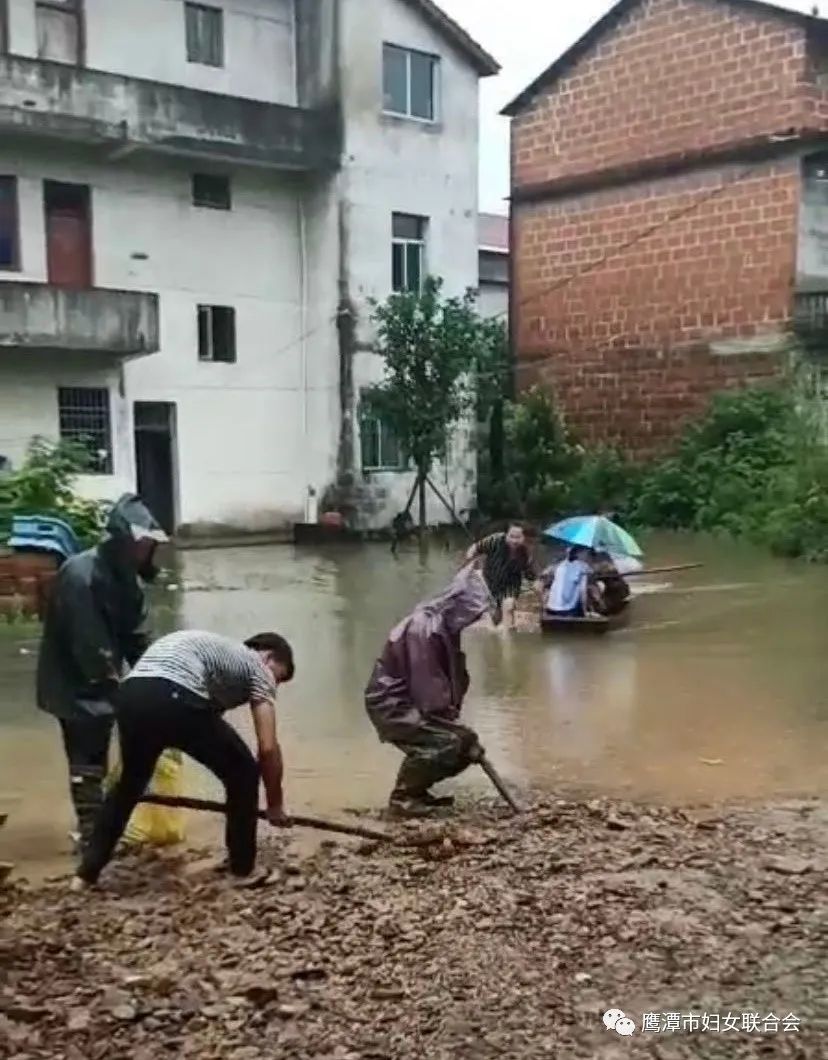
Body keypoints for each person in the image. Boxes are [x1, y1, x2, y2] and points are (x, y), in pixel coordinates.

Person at [73, 629, 295, 889]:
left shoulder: (220, 658)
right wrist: (275, 804)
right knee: (243, 772)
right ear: (268, 657)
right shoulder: (256, 666)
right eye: (280, 677)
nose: (273, 688)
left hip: (132, 694)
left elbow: (199, 727)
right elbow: (268, 748)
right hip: (175, 693)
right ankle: (243, 869)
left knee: (129, 786)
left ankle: (85, 875)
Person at [36, 494, 167, 850]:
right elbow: (89, 645)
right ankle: (93, 833)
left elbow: (139, 637)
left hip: (106, 681)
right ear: (121, 542)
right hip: (69, 681)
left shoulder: (128, 581)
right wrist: (120, 689)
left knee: (101, 752)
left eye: (148, 546)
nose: (144, 553)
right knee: (84, 754)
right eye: (139, 545)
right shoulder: (80, 576)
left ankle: (102, 827)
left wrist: (160, 679)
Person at [365, 567, 494, 816]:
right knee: (448, 743)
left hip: (408, 701)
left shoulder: (444, 627)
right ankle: (403, 798)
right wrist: (458, 730)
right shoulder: (423, 629)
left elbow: (453, 680)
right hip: (392, 704)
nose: (473, 620)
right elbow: (430, 693)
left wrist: (462, 731)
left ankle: (417, 791)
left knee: (463, 743)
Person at [465, 523, 538, 628]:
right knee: (494, 617)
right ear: (506, 535)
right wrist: (470, 561)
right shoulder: (495, 540)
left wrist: (536, 583)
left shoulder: (526, 551)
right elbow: (474, 548)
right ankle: (497, 635)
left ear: (524, 538)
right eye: (511, 536)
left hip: (511, 585)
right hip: (489, 581)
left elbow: (529, 572)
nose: (514, 541)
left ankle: (506, 639)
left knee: (508, 607)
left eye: (518, 537)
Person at [546, 546, 595, 617]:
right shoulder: (583, 567)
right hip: (567, 611)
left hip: (550, 608)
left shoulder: (560, 565)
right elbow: (583, 592)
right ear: (580, 553)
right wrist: (585, 612)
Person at [591, 551, 631, 616]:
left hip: (616, 590)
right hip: (618, 588)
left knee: (603, 607)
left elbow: (599, 573)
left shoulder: (599, 561)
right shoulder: (604, 556)